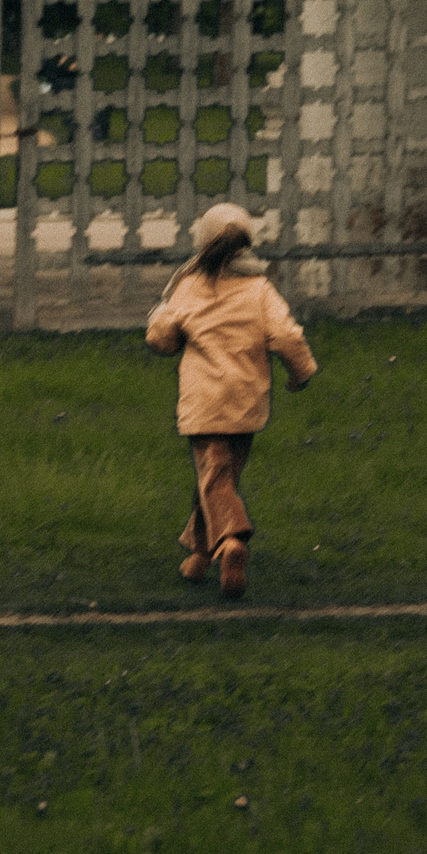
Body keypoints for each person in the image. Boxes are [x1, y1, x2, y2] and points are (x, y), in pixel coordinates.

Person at [145, 202, 318, 600]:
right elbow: (288, 336)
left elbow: (162, 339)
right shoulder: (260, 290)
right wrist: (301, 372)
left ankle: (234, 537)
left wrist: (159, 319)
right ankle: (200, 557)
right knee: (218, 478)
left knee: (213, 476)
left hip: (205, 402)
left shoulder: (189, 286)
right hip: (246, 402)